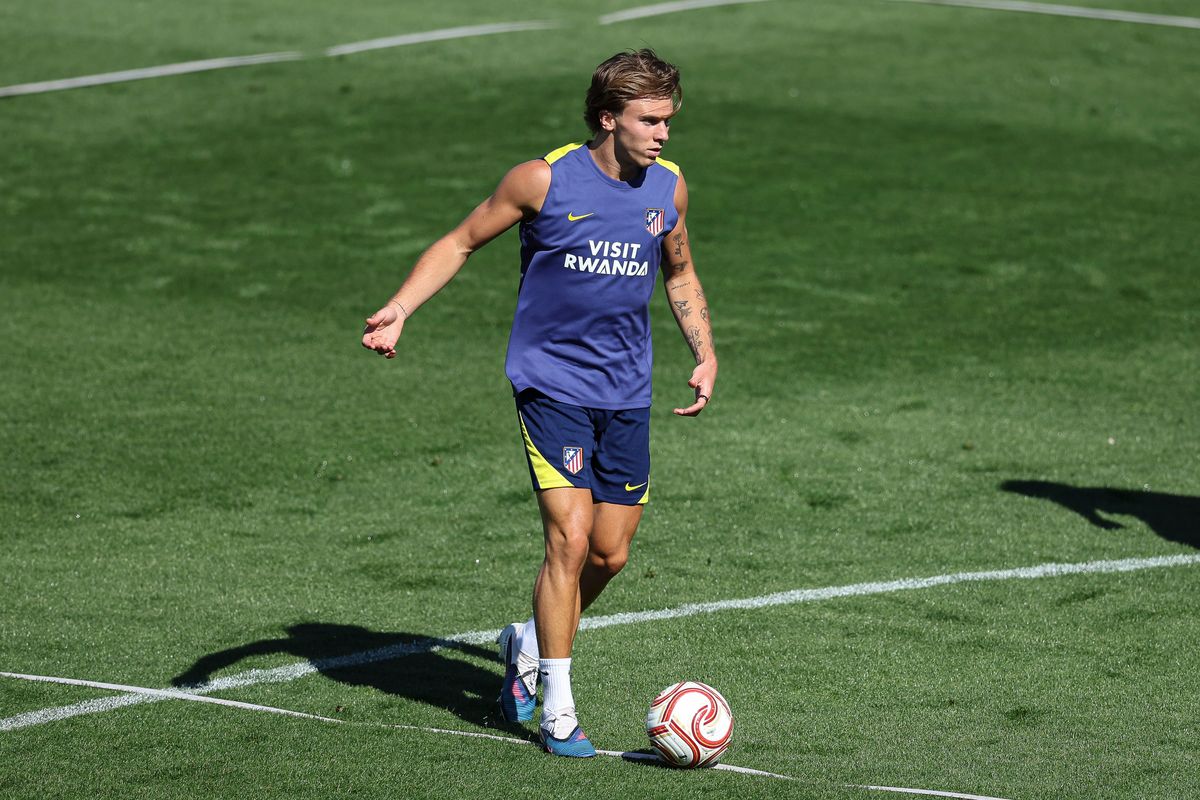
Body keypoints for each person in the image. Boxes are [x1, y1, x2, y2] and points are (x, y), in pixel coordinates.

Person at [361, 49, 717, 757]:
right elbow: (461, 242)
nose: (663, 134)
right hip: (549, 383)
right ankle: (556, 705)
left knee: (609, 555)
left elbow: (679, 271)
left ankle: (528, 638)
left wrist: (704, 352)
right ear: (609, 118)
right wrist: (399, 308)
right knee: (569, 538)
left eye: (668, 120)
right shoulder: (544, 179)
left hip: (626, 390)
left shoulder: (668, 190)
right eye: (650, 120)